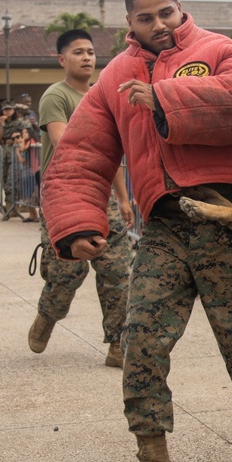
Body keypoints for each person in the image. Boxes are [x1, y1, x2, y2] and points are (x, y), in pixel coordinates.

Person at [41, 0, 232, 462]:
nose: (158, 25)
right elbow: (81, 155)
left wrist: (164, 97)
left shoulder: (220, 50)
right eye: (145, 17)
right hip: (164, 227)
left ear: (180, 10)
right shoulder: (112, 79)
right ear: (128, 22)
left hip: (230, 222)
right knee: (141, 343)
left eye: (166, 13)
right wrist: (79, 224)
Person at [30, 28, 134, 369]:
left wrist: (122, 197)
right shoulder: (55, 97)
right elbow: (67, 144)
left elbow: (110, 153)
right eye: (78, 52)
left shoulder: (101, 98)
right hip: (64, 196)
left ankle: (118, 344)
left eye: (90, 51)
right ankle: (49, 313)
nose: (86, 57)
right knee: (67, 274)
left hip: (102, 197)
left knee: (117, 271)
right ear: (62, 60)